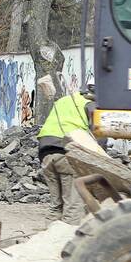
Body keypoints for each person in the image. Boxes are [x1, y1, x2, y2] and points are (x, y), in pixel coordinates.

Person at [36, 79, 99, 225]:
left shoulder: (65, 100)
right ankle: (66, 242)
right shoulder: (91, 104)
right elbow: (98, 135)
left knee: (56, 204)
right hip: (67, 153)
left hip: (45, 152)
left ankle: (48, 238)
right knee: (73, 204)